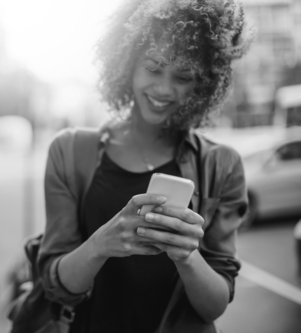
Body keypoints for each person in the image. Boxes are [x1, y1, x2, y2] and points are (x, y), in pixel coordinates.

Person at [36, 1, 255, 332]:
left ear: (204, 85)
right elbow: (56, 284)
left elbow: (214, 306)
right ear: (127, 64)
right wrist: (101, 244)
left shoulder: (221, 164)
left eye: (183, 76)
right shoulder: (69, 150)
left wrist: (187, 256)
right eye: (153, 68)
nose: (164, 89)